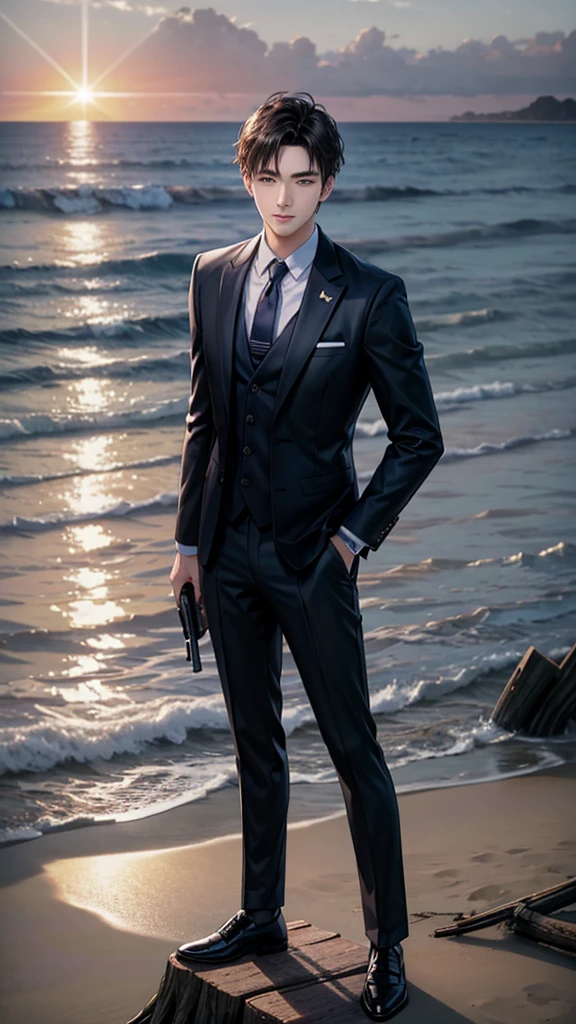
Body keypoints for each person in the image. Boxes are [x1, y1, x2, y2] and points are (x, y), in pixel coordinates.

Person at [169, 91, 444, 1022]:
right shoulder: (210, 275)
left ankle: (386, 945)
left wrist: (351, 537)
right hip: (230, 554)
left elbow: (419, 438)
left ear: (326, 185)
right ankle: (260, 915)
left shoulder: (369, 296)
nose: (283, 199)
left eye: (303, 180)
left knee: (354, 749)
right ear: (248, 177)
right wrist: (187, 547)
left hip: (317, 562)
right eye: (267, 177)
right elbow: (205, 422)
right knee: (256, 745)